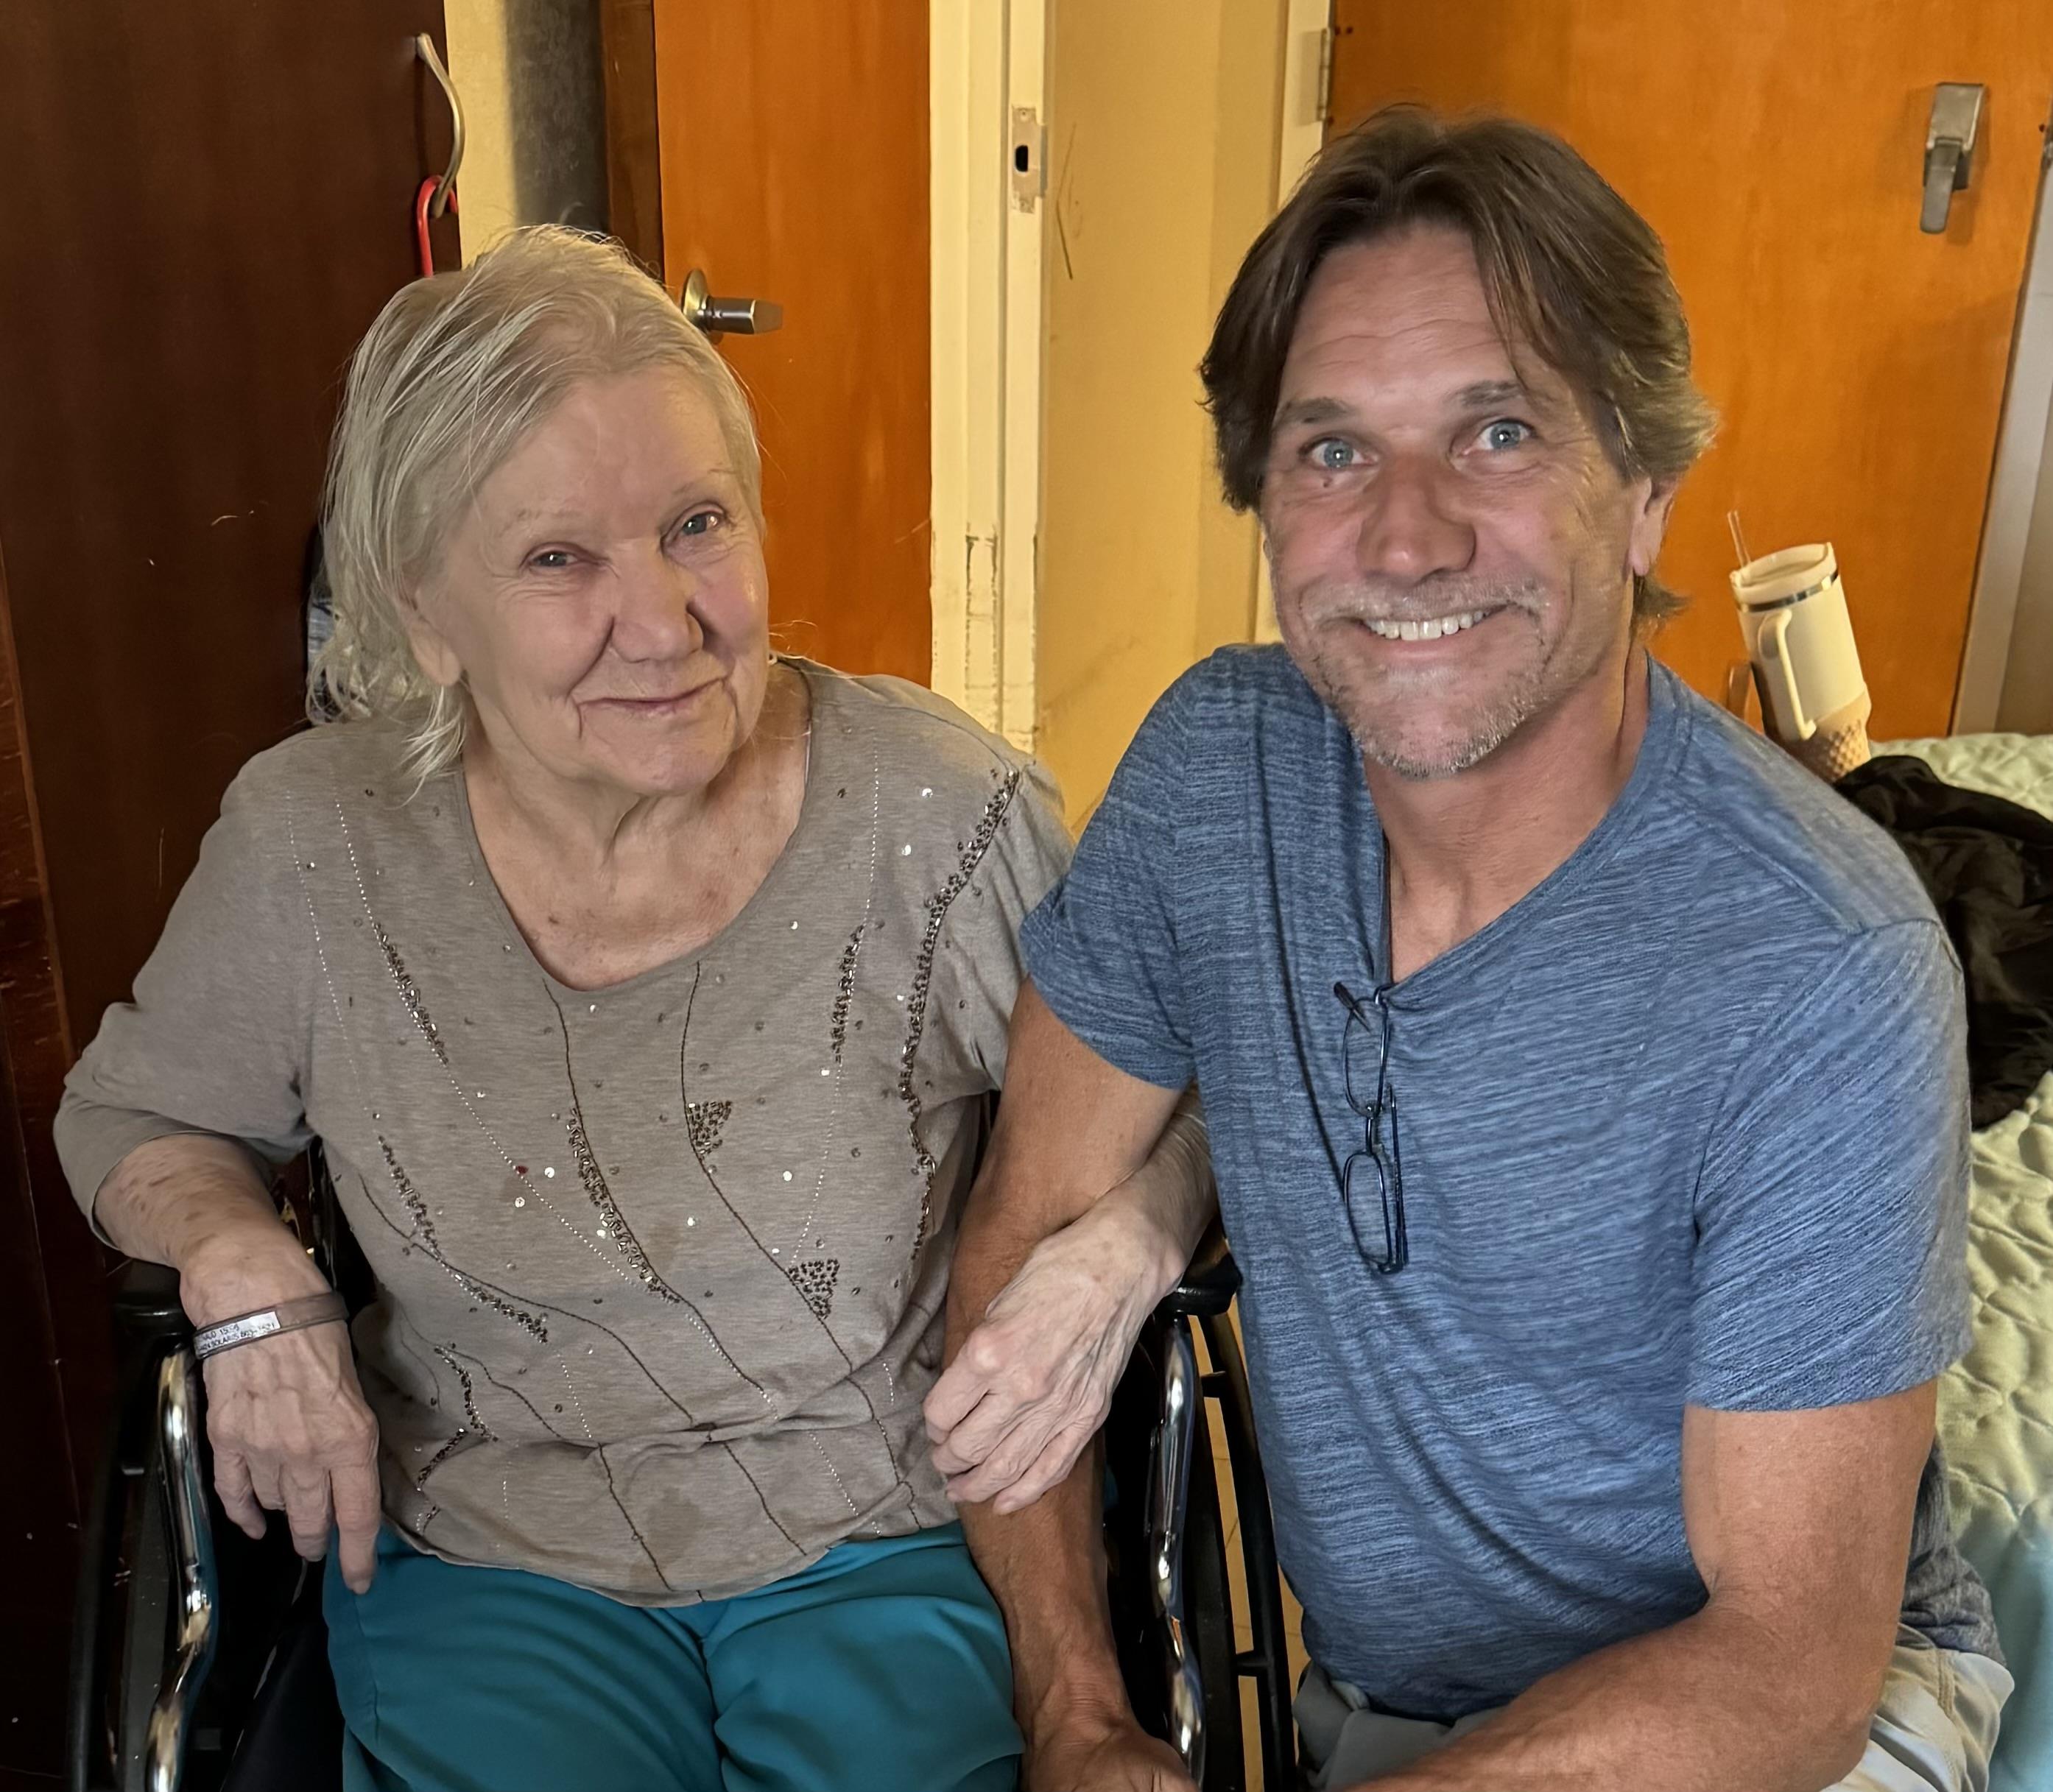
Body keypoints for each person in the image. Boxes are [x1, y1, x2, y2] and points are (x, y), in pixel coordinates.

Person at [926, 107, 2009, 1792]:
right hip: (1382, 1709)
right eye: (1332, 449)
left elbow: (1786, 1667)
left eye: (1495, 432)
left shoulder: (1817, 969)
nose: (1406, 538)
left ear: (1643, 494)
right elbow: (1014, 1233)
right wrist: (1077, 1715)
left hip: (1770, 1726)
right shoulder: (1221, 777)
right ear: (1265, 501)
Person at [54, 226, 1209, 1792]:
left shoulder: (938, 820)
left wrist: (1127, 1236)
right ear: (424, 610)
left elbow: (1183, 1084)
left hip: (876, 1524)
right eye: (556, 559)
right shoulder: (315, 844)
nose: (663, 620)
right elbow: (138, 1111)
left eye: (695, 524)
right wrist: (238, 1254)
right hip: (494, 1544)